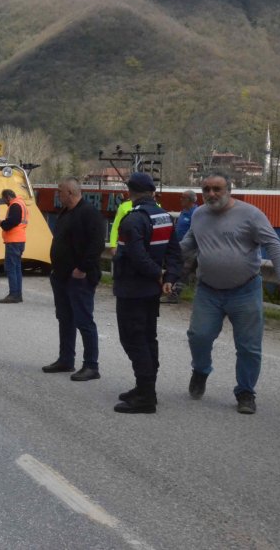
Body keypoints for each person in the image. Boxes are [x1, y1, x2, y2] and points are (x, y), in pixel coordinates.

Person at [179, 171, 280, 414]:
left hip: (245, 291)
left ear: (229, 190)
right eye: (206, 190)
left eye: (217, 189)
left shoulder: (250, 214)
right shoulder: (199, 215)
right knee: (198, 336)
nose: (211, 194)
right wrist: (162, 261)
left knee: (248, 347)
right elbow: (187, 245)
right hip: (208, 291)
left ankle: (245, 392)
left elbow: (274, 244)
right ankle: (200, 371)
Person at [112, 173, 182, 414]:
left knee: (133, 339)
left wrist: (158, 275)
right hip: (151, 291)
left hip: (133, 289)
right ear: (152, 192)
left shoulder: (133, 220)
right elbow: (175, 252)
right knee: (148, 338)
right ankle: (145, 387)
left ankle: (146, 396)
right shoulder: (164, 217)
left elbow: (135, 255)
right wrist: (169, 277)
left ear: (131, 192)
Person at [44, 177, 106, 381]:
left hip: (79, 278)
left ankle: (91, 365)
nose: (58, 195)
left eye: (60, 191)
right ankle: (66, 359)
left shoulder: (89, 213)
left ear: (70, 192)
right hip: (61, 276)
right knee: (65, 319)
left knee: (84, 320)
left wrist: (82, 268)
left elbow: (96, 244)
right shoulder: (66, 212)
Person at [162, 189, 198, 304]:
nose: (181, 199)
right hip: (179, 247)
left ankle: (173, 295)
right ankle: (170, 293)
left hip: (190, 249)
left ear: (190, 200)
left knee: (182, 271)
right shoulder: (184, 212)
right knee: (178, 270)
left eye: (183, 197)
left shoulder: (195, 213)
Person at [0, 189, 28, 303]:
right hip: (19, 240)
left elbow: (12, 222)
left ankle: (14, 294)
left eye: (4, 199)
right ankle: (17, 294)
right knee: (16, 268)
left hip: (13, 241)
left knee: (11, 268)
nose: (4, 202)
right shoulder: (21, 203)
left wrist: (2, 223)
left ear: (8, 197)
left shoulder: (15, 205)